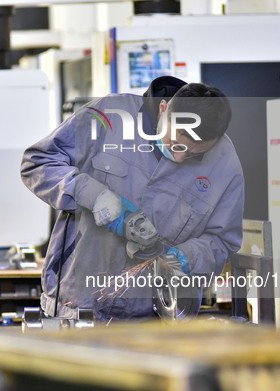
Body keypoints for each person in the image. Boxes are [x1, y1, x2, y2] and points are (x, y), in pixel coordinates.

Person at [21, 76, 244, 321]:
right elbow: (38, 163)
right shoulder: (109, 116)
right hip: (76, 306)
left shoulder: (225, 163)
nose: (179, 159)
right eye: (175, 145)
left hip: (151, 319)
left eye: (193, 154)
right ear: (163, 110)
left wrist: (186, 257)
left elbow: (223, 241)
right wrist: (93, 195)